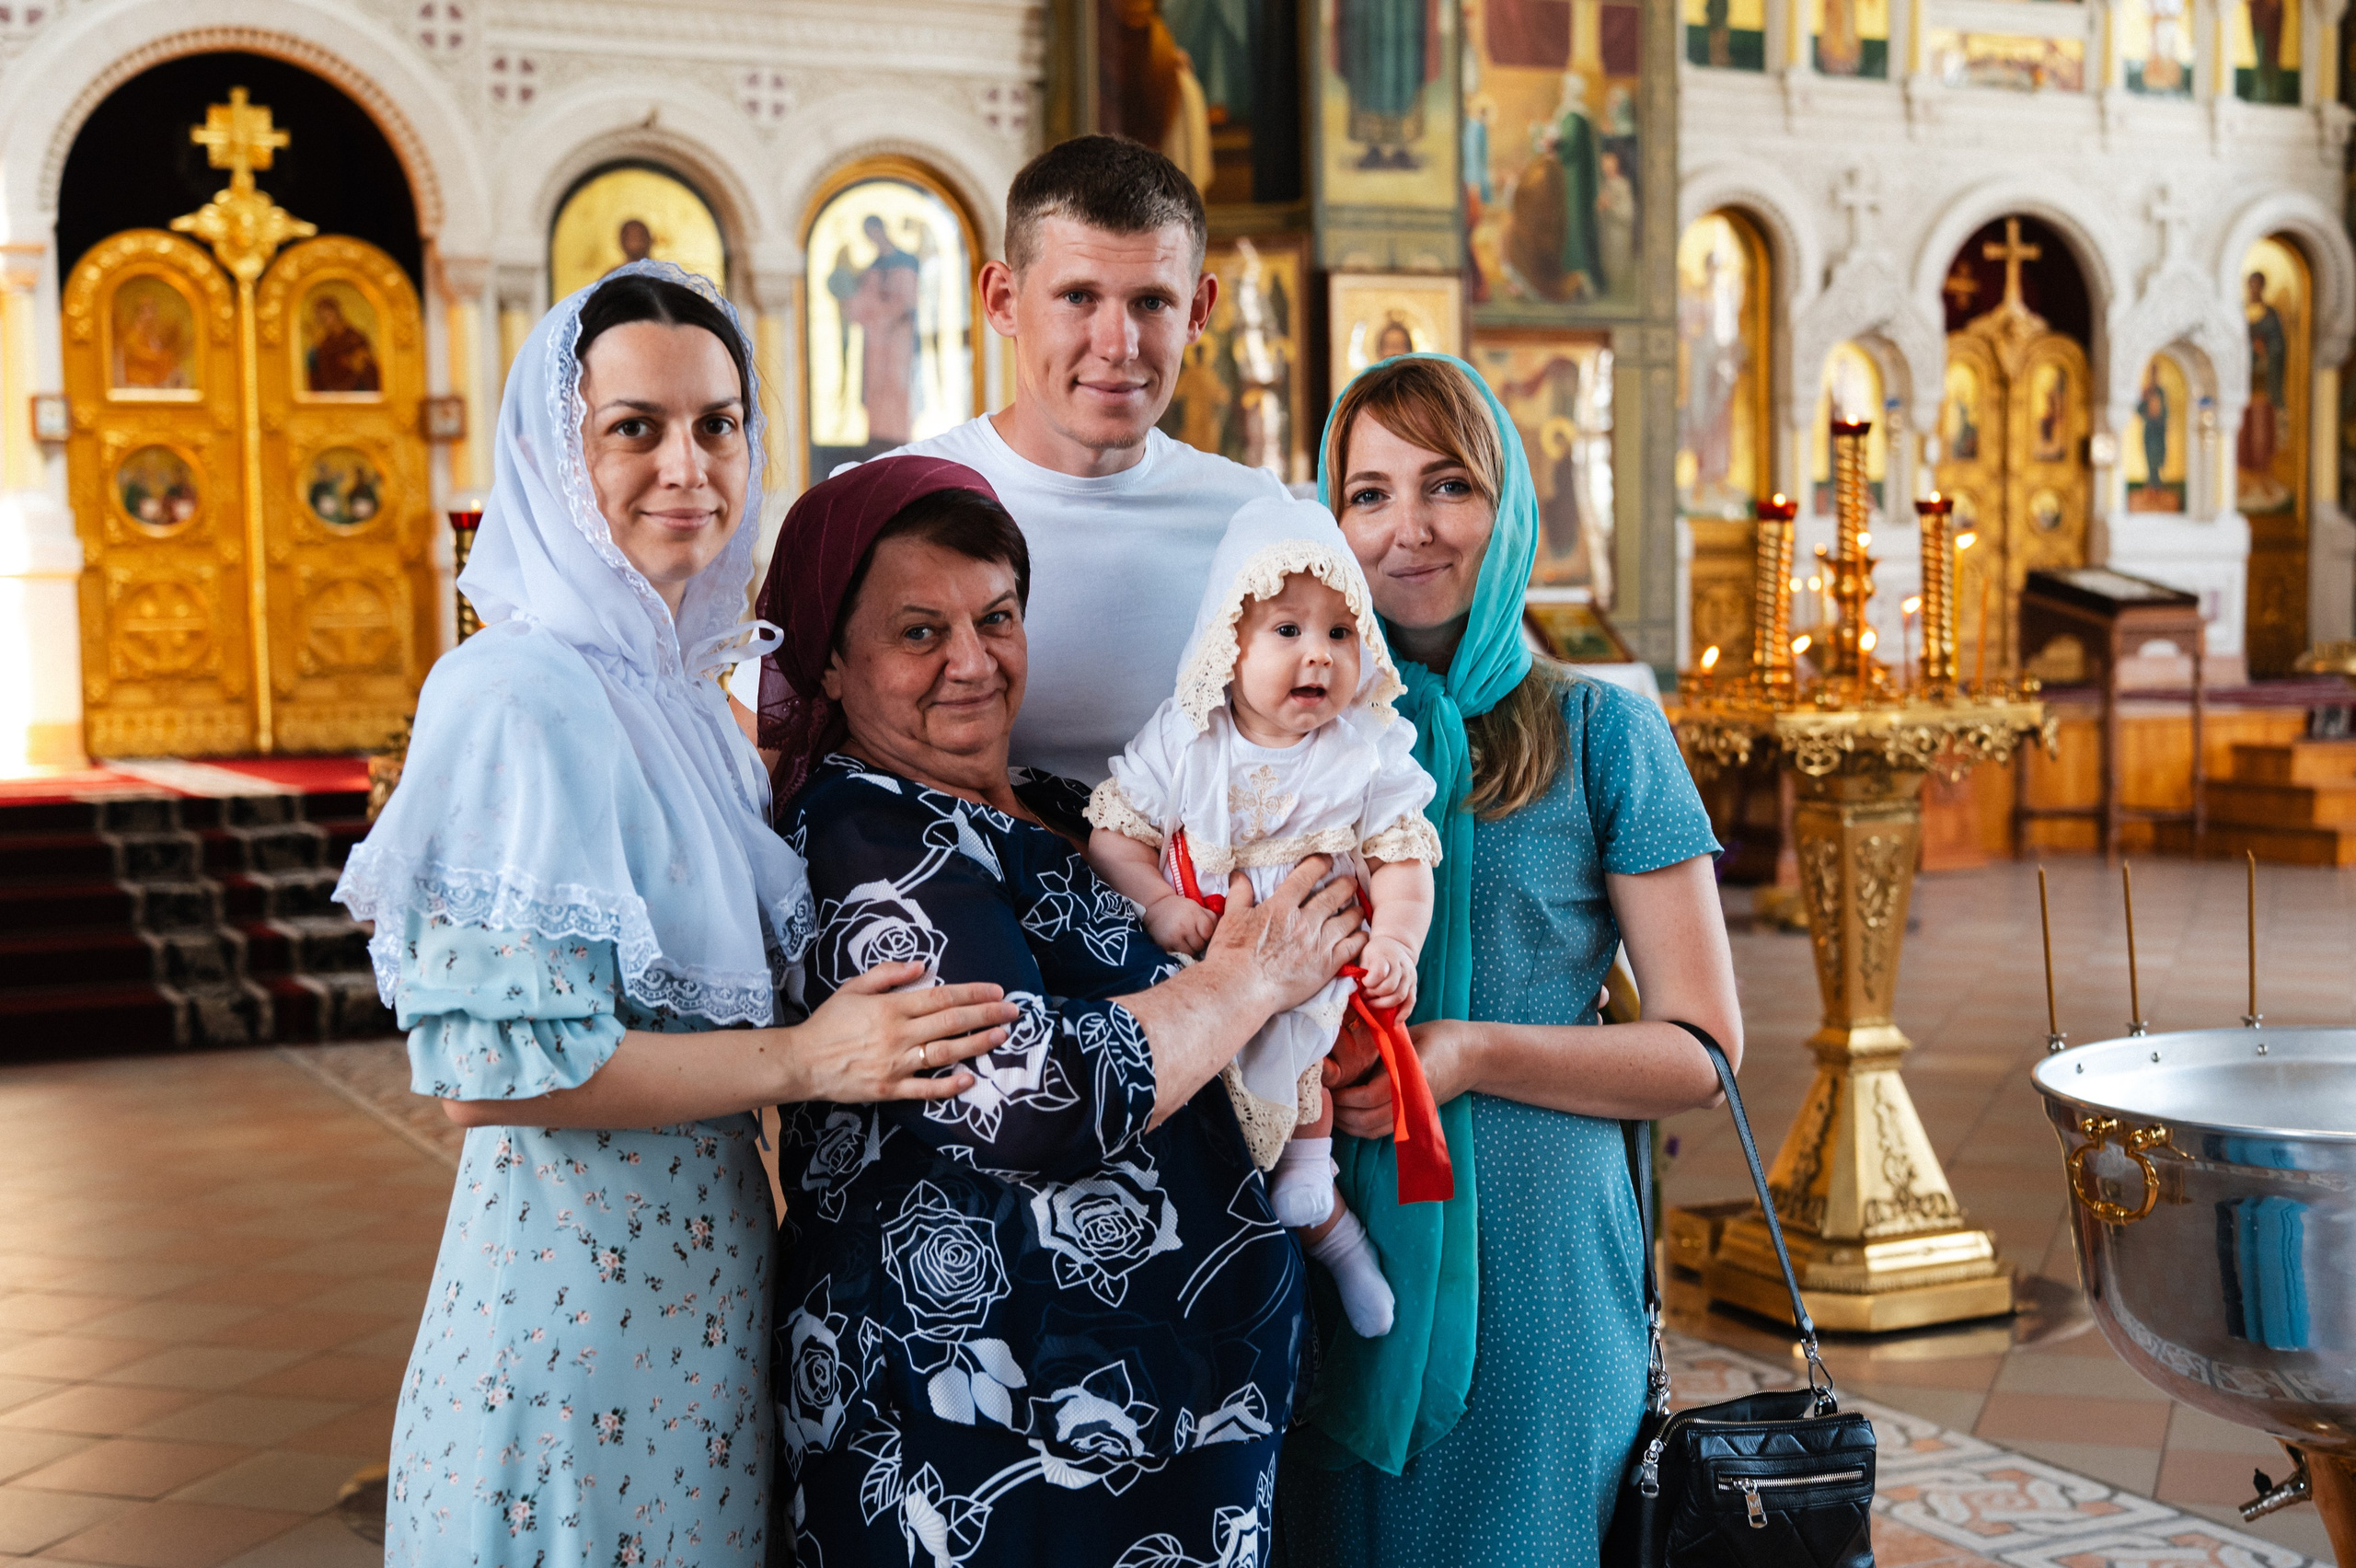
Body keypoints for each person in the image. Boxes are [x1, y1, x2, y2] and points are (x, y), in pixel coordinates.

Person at [338, 265, 1021, 1567]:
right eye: (633, 428)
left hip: (707, 1306)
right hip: (563, 1321)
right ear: (556, 450)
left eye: (717, 424)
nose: (686, 466)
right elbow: (493, 1077)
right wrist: (809, 1058)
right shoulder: (516, 689)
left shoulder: (681, 703)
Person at [751, 455, 1368, 1565]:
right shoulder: (864, 840)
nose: (974, 663)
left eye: (996, 617)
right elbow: (1033, 1099)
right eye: (919, 633)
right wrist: (1247, 983)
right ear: (831, 666)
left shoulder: (1056, 801)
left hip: (1155, 1431)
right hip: (979, 1450)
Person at [1273, 354, 1744, 1566]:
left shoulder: (1601, 734)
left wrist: (1469, 1053)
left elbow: (1702, 1051)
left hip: (1533, 1266)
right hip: (1314, 1247)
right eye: (1366, 494)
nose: (1407, 530)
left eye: (1447, 487)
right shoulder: (1277, 736)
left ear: (1511, 503)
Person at [1085, 496, 1440, 1340]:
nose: (1317, 654)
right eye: (1287, 631)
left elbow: (1403, 859)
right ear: (1227, 641)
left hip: (1324, 970)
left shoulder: (1366, 747)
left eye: (1339, 633)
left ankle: (1319, 1199)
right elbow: (1112, 837)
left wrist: (1396, 939)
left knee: (1307, 1067)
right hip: (1206, 963)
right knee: (1210, 1125)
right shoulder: (1187, 739)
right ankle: (1325, 1242)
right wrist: (1162, 903)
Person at [882, 133, 1289, 784]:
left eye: (1151, 302)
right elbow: (767, 775)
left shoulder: (1259, 517)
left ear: (1199, 311)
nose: (1118, 344)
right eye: (1078, 297)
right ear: (1002, 301)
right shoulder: (883, 505)